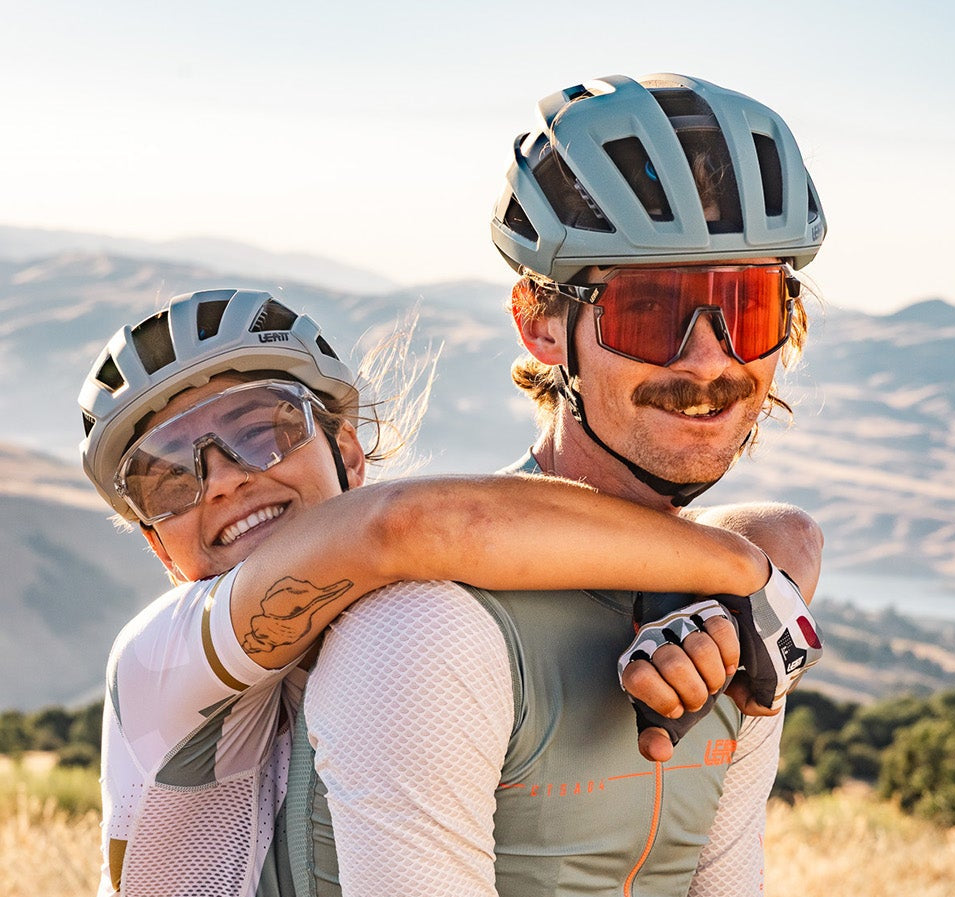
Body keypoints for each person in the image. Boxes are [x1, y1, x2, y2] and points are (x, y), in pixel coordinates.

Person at [275, 72, 832, 897]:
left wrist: (750, 571)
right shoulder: (431, 632)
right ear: (540, 321)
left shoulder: (732, 605)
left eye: (746, 308)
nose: (709, 359)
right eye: (649, 312)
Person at [83, 288, 810, 897]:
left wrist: (775, 548)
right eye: (169, 477)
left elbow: (769, 528)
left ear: (347, 451)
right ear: (158, 542)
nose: (224, 479)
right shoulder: (161, 657)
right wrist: (749, 575)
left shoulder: (396, 615)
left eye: (260, 431)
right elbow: (408, 524)